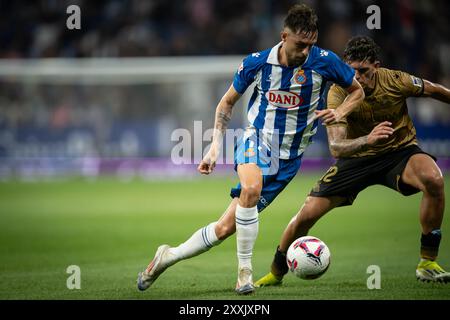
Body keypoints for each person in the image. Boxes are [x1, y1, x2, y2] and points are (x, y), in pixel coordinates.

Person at [136, 4, 364, 295]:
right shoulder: (257, 62)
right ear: (284, 36)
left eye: (310, 44)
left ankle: (168, 256)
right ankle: (244, 274)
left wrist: (341, 111)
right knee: (251, 189)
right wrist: (214, 147)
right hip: (257, 140)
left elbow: (358, 90)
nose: (305, 51)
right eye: (299, 44)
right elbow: (226, 103)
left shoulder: (325, 61)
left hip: (289, 160)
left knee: (224, 228)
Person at [255, 36, 450, 287]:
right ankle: (275, 273)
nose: (357, 77)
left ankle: (427, 263)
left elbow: (435, 89)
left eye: (364, 71)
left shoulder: (396, 80)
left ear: (376, 67)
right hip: (355, 160)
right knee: (306, 215)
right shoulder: (337, 92)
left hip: (399, 153)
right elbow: (337, 147)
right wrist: (368, 140)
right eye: (352, 71)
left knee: (434, 179)